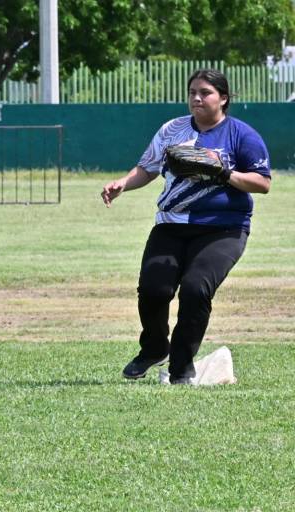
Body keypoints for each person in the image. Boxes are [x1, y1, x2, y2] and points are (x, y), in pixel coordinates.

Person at [100, 69, 271, 385]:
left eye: (205, 92)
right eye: (192, 91)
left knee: (195, 289)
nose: (196, 97)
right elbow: (148, 167)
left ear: (223, 98)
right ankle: (153, 349)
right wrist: (124, 182)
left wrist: (224, 173)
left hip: (224, 228)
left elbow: (262, 183)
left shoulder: (242, 135)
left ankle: (181, 368)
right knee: (154, 289)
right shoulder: (172, 129)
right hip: (171, 224)